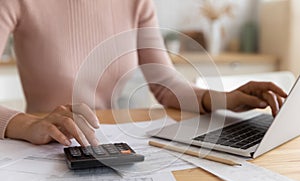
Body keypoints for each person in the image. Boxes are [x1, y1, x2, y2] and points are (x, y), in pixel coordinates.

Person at [0, 0, 287, 147]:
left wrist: (224, 98)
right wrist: (25, 124)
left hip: (111, 144)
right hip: (47, 148)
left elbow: (165, 83)